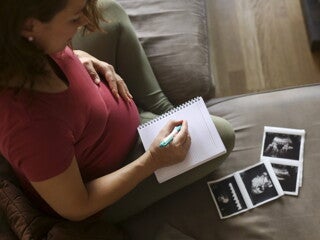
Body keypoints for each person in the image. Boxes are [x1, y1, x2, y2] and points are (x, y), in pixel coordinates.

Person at [0, 0, 235, 223]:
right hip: (107, 182)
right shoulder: (29, 126)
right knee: (222, 135)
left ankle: (163, 112)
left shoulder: (26, 43)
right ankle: (164, 118)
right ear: (29, 25)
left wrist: (79, 56)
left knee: (109, 10)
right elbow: (78, 207)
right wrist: (153, 160)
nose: (83, 21)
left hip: (100, 116)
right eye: (73, 19)